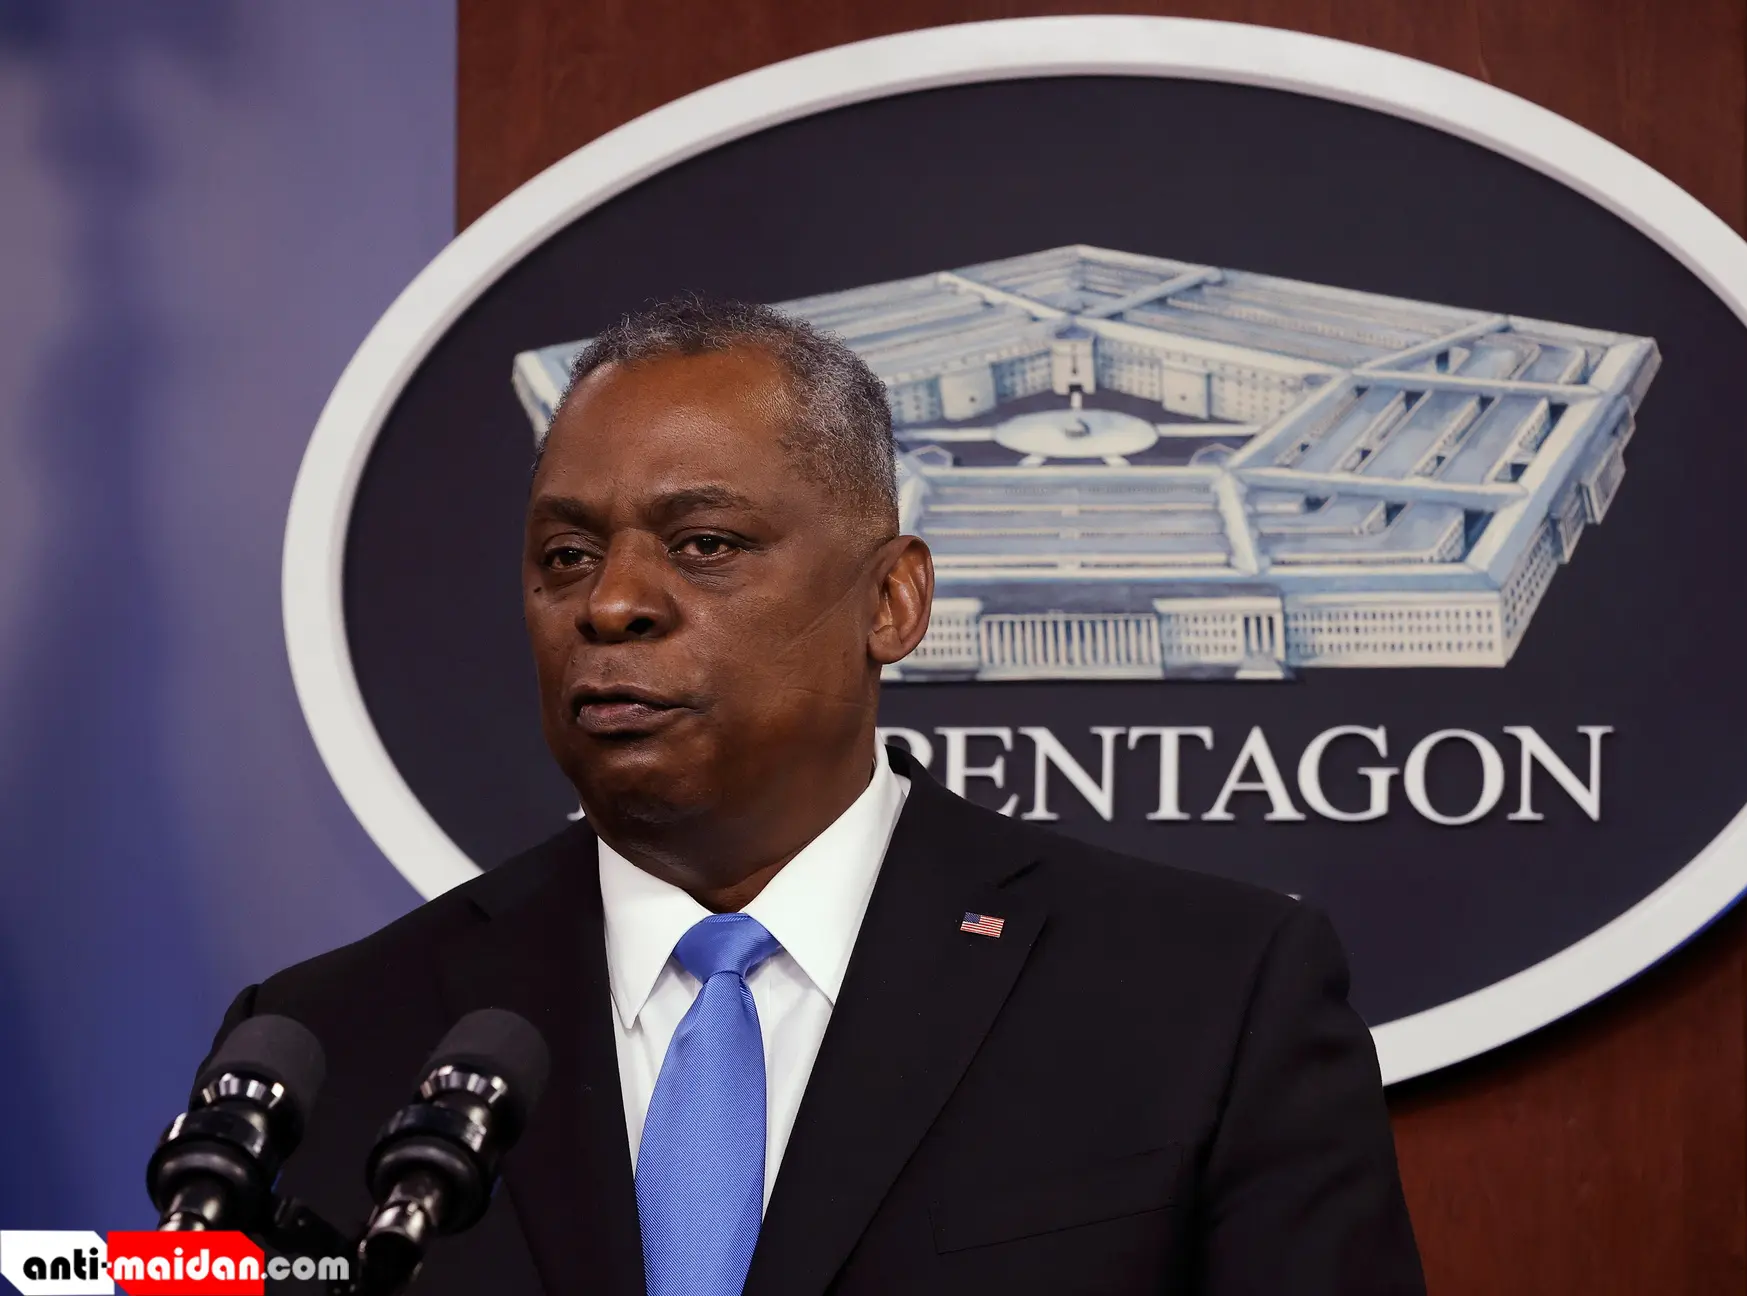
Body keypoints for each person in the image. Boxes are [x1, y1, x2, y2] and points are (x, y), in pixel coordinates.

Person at [212, 297, 1426, 1295]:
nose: (611, 604)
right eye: (566, 557)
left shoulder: (1206, 998)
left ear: (891, 603)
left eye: (704, 545)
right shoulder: (323, 1043)